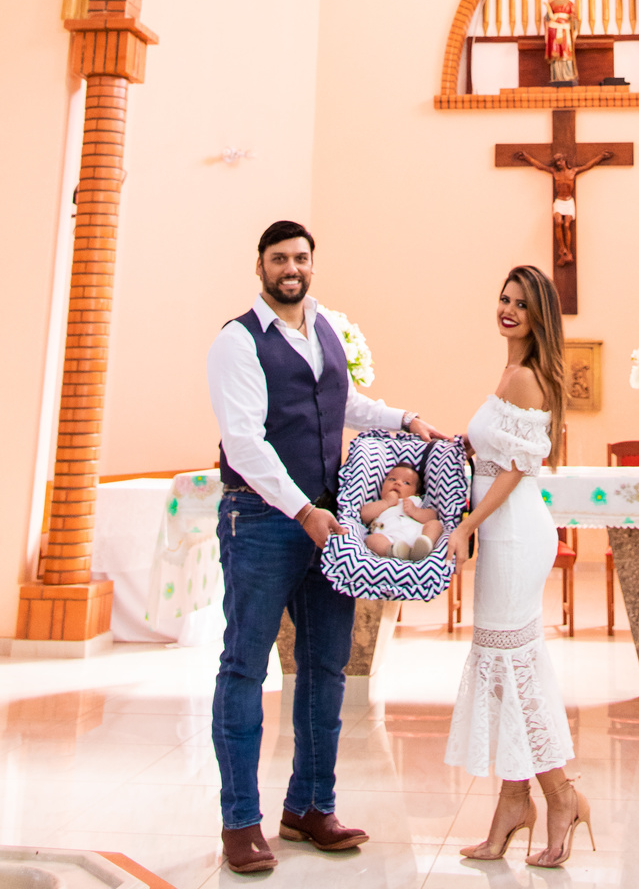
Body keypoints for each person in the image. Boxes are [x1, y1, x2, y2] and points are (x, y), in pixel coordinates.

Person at [207, 219, 447, 874]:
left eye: (302, 257)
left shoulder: (324, 329)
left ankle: (310, 806)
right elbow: (245, 444)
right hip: (261, 520)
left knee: (325, 668)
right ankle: (240, 823)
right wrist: (302, 511)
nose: (292, 267)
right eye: (280, 258)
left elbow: (341, 404)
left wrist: (402, 419)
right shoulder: (238, 341)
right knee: (244, 669)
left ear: (313, 265)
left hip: (326, 526)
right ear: (260, 265)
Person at [443, 265, 595, 868]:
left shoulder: (528, 379)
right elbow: (496, 452)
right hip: (502, 529)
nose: (507, 310)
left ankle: (560, 796)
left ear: (539, 318)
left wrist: (465, 528)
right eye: (504, 300)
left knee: (513, 664)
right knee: (505, 667)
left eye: (521, 305)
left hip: (512, 533)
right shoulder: (510, 372)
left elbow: (517, 470)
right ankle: (513, 802)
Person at [361, 460, 443, 559]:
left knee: (435, 525)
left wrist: (415, 511)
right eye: (392, 479)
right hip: (389, 539)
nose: (397, 483)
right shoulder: (381, 503)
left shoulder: (415, 501)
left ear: (416, 493)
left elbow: (432, 516)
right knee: (372, 540)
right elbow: (365, 515)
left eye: (406, 483)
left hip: (418, 537)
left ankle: (425, 545)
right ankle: (392, 551)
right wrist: (386, 502)